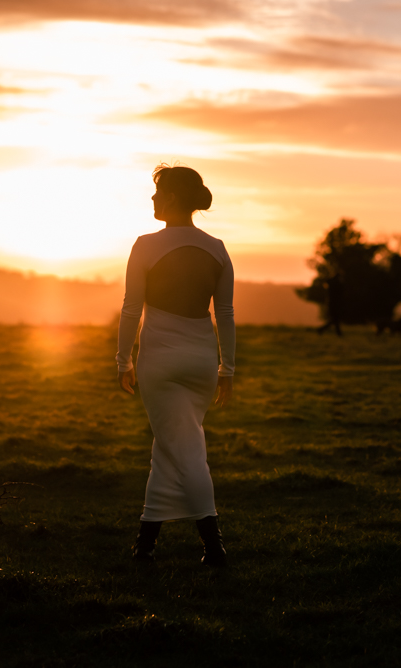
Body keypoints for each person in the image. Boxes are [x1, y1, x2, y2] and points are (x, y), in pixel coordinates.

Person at [116, 164, 235, 567]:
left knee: (185, 450)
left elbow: (131, 308)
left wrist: (122, 360)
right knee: (172, 445)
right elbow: (227, 314)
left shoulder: (145, 245)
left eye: (157, 192)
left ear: (171, 199)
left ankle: (214, 545)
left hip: (160, 362)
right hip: (202, 362)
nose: (152, 199)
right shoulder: (217, 248)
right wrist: (227, 370)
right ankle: (145, 546)